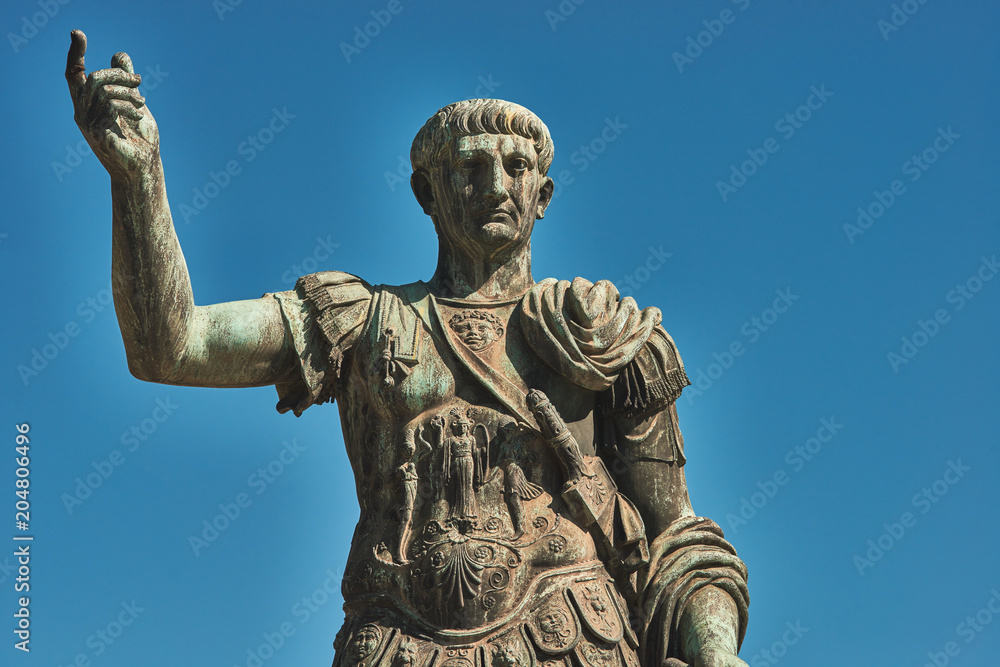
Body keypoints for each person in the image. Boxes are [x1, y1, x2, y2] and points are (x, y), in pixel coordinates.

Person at [65, 29, 750, 667]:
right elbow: (171, 345)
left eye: (516, 168)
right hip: (396, 643)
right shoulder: (360, 321)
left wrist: (716, 650)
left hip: (573, 636)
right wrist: (138, 179)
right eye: (470, 167)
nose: (495, 185)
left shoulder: (604, 332)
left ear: (543, 196)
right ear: (428, 190)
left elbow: (676, 540)